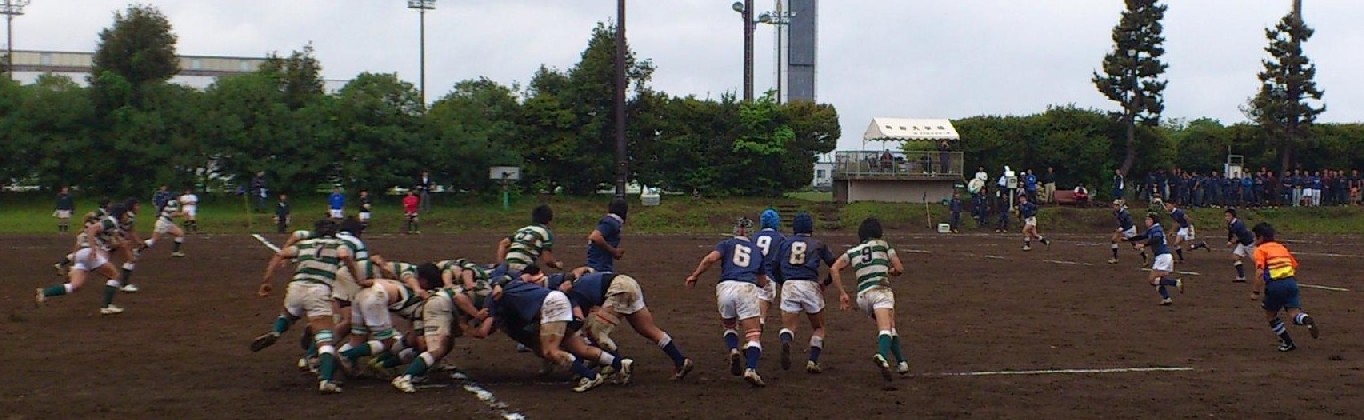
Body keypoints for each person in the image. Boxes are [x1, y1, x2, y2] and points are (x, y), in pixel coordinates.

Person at [251, 219, 364, 394]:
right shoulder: (338, 245)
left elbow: (280, 254)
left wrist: (266, 281)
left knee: (289, 314)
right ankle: (326, 380)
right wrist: (357, 278)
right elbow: (344, 256)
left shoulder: (305, 244)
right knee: (325, 338)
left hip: (296, 287)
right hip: (318, 290)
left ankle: (277, 331)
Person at [475, 268, 633, 392]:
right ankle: (620, 364)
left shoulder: (492, 297)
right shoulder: (511, 279)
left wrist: (470, 324)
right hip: (558, 300)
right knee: (579, 348)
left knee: (550, 351)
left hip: (550, 306)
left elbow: (484, 331)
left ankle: (590, 376)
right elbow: (507, 271)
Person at [551, 270, 695, 380]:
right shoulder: (575, 282)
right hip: (627, 283)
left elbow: (579, 321)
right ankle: (680, 360)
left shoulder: (567, 297)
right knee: (648, 329)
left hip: (618, 289)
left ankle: (619, 366)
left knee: (596, 331)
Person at [685, 217, 770, 387]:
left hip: (725, 287)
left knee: (729, 326)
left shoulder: (726, 244)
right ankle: (751, 369)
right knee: (753, 334)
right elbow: (762, 281)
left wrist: (695, 276)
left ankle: (733, 349)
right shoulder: (757, 250)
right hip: (746, 287)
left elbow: (710, 259)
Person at [829, 217, 910, 382]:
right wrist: (892, 271)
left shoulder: (853, 251)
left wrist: (842, 293)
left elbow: (834, 268)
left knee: (890, 325)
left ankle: (901, 363)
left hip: (863, 298)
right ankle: (881, 355)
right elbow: (899, 268)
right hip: (880, 292)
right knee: (885, 328)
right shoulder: (884, 245)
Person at [35, 203, 132, 315]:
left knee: (74, 286)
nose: (127, 217)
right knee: (114, 275)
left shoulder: (112, 224)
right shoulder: (111, 221)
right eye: (126, 214)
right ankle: (106, 306)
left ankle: (45, 292)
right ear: (121, 214)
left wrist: (120, 243)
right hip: (88, 252)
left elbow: (107, 240)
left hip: (81, 254)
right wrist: (93, 248)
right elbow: (92, 229)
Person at [771, 213, 837, 373]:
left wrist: (783, 281)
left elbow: (774, 266)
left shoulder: (784, 243)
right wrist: (826, 283)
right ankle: (812, 361)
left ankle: (786, 341)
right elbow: (834, 265)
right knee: (818, 327)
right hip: (810, 285)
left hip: (790, 285)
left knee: (788, 327)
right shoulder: (818, 244)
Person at [1248, 223, 1320, 352]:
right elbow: (1294, 265)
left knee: (1270, 315)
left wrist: (1255, 292)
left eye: (1255, 236)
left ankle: (1287, 342)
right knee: (1294, 313)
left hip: (1275, 285)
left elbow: (1259, 272)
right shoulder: (1281, 248)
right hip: (1291, 282)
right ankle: (1305, 319)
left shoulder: (1260, 250)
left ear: (1261, 237)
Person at [1125, 213, 1183, 305]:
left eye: (1148, 219)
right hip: (1163, 256)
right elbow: (1142, 236)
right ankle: (1166, 298)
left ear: (1153, 221)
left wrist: (1143, 245)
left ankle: (1175, 283)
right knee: (1158, 280)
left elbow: (1156, 239)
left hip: (1163, 257)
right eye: (1146, 219)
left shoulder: (1156, 229)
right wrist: (1128, 239)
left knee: (1152, 280)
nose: (1146, 221)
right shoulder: (1152, 229)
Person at [499, 205, 563, 273]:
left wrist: (502, 265)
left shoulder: (522, 230)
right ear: (549, 220)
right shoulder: (546, 233)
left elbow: (503, 243)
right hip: (523, 268)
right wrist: (556, 264)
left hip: (508, 267)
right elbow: (548, 260)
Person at [753, 208, 786, 332]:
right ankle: (756, 331)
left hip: (751, 276)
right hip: (769, 276)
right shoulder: (780, 238)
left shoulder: (754, 237)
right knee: (761, 312)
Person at [586, 198, 627, 273]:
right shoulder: (611, 222)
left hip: (600, 265)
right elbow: (595, 237)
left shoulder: (611, 221)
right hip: (599, 266)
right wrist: (613, 251)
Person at [141, 193, 187, 257]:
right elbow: (172, 214)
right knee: (153, 240)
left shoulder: (172, 202)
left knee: (180, 234)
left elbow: (169, 214)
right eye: (180, 197)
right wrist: (182, 214)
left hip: (167, 223)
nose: (181, 199)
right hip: (163, 223)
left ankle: (175, 252)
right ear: (177, 197)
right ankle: (137, 250)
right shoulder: (173, 203)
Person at [1108, 200, 1145, 265]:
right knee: (1114, 240)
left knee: (1135, 245)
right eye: (1114, 205)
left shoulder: (1125, 214)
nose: (1115, 207)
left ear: (1120, 206)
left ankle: (1144, 256)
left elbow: (1128, 224)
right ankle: (1115, 258)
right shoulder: (1116, 212)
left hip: (1130, 229)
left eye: (1117, 205)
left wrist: (1120, 229)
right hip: (1125, 229)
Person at [1225, 208, 1255, 283]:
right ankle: (1241, 276)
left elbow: (1244, 237)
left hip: (1249, 244)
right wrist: (1229, 240)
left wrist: (1234, 242)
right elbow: (1230, 232)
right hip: (1243, 243)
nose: (1226, 218)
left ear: (1232, 216)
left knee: (1258, 261)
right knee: (1235, 257)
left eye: (1227, 216)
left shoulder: (1239, 225)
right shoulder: (1230, 224)